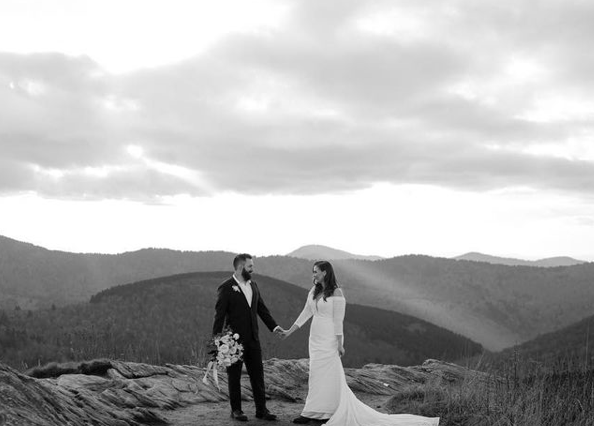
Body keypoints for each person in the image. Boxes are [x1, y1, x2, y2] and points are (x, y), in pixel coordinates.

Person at [278, 260, 439, 426]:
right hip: (315, 339)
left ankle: (328, 412)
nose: (313, 275)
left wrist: (340, 344)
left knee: (330, 375)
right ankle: (311, 411)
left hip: (329, 339)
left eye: (316, 271)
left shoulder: (337, 293)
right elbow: (306, 312)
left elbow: (338, 321)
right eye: (313, 272)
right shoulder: (314, 290)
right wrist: (289, 331)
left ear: (325, 272)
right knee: (315, 374)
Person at [212, 253, 282, 422]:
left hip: (253, 339)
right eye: (250, 266)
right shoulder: (226, 287)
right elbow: (219, 315)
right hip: (232, 341)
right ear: (241, 267)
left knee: (258, 376)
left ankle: (261, 410)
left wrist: (274, 326)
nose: (253, 269)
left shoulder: (253, 285)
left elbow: (262, 309)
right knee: (234, 377)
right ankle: (236, 410)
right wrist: (216, 339)